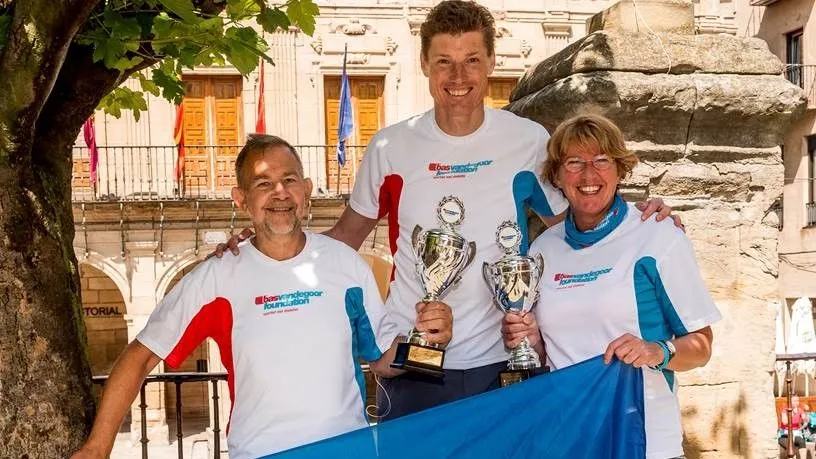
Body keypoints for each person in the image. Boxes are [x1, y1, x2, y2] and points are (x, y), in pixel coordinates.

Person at [214, 0, 680, 420]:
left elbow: (580, 227)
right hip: (414, 361)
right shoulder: (391, 145)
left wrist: (638, 218)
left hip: (505, 359)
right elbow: (343, 239)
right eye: (445, 63)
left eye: (471, 61)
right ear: (424, 66)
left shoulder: (528, 142)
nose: (459, 78)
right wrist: (262, 245)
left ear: (492, 63)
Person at [71, 135, 453, 459]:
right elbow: (139, 357)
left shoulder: (345, 265)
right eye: (263, 183)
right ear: (241, 198)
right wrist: (96, 448)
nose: (280, 193)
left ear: (306, 190)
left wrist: (429, 344)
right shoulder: (217, 277)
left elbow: (384, 361)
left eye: (289, 180)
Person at [502, 114, 720, 459]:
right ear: (556, 177)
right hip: (570, 441)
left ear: (620, 170)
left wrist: (658, 351)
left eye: (602, 161)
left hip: (646, 442)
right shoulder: (543, 250)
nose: (589, 175)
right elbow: (549, 354)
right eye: (574, 163)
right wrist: (529, 339)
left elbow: (702, 346)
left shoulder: (658, 234)